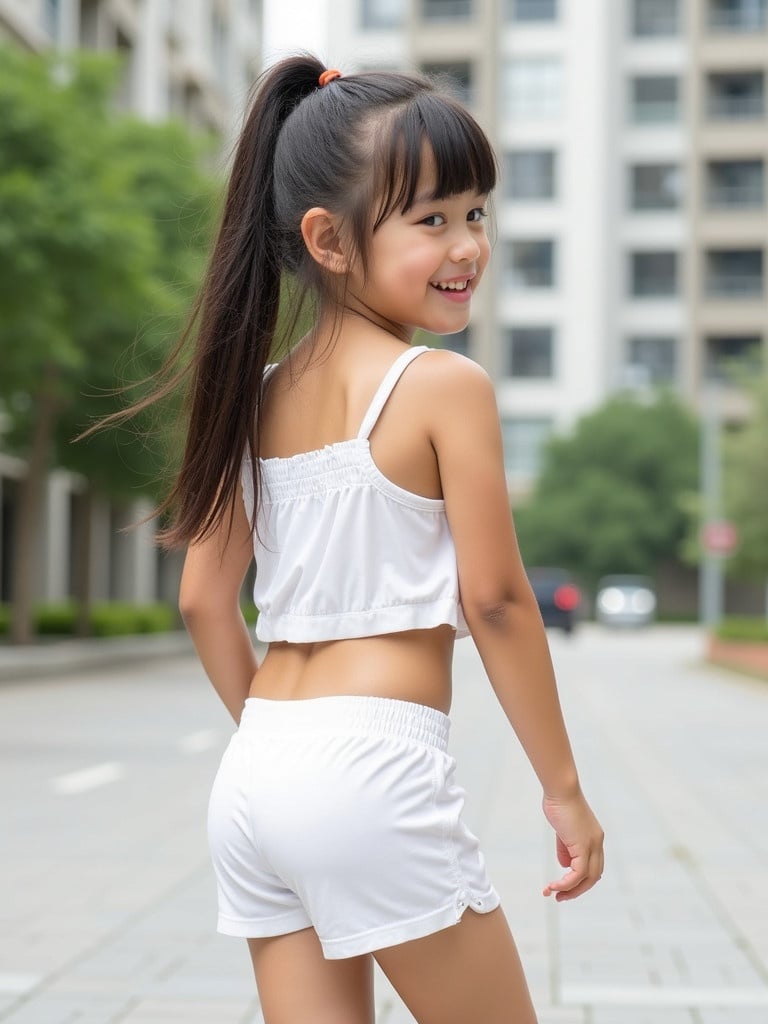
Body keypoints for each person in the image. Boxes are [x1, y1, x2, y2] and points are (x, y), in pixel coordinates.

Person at [174, 54, 604, 1024]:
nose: (468, 245)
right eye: (431, 220)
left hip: (258, 771)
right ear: (327, 239)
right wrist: (563, 791)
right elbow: (495, 602)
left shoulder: (253, 392)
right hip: (371, 768)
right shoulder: (443, 386)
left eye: (476, 213)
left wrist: (290, 756)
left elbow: (204, 601)